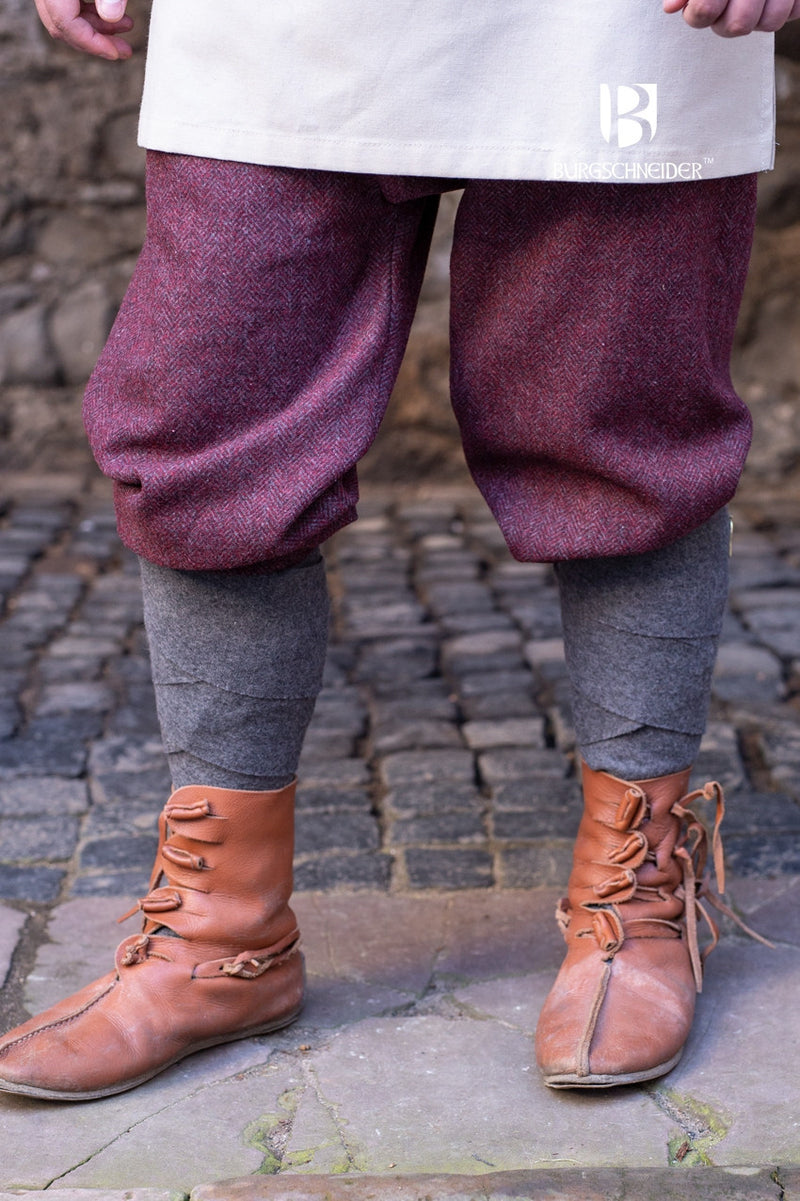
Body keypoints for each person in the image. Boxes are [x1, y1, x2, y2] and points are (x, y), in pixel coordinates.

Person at [0, 0, 793, 1101]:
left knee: (620, 418)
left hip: (622, 24)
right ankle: (221, 939)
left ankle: (636, 903)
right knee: (205, 417)